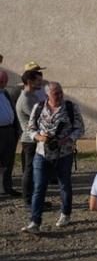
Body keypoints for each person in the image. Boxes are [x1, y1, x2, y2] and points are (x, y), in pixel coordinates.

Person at [24, 81, 85, 233]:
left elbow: (80, 129)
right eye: (55, 93)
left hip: (64, 154)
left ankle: (65, 213)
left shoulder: (71, 108)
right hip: (42, 154)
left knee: (64, 184)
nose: (59, 95)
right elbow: (30, 128)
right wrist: (39, 136)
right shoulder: (38, 108)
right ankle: (35, 222)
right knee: (39, 187)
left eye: (60, 92)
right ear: (47, 95)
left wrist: (67, 139)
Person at [16, 68, 46, 205]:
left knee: (36, 170)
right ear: (29, 81)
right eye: (37, 80)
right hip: (30, 140)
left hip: (37, 138)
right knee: (29, 170)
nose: (41, 82)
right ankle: (28, 201)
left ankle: (36, 199)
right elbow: (39, 118)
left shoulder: (33, 95)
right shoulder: (26, 99)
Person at [0, 70, 20, 196]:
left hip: (9, 131)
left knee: (8, 161)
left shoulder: (5, 93)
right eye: (2, 81)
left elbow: (12, 110)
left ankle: (7, 187)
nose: (3, 84)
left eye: (4, 82)